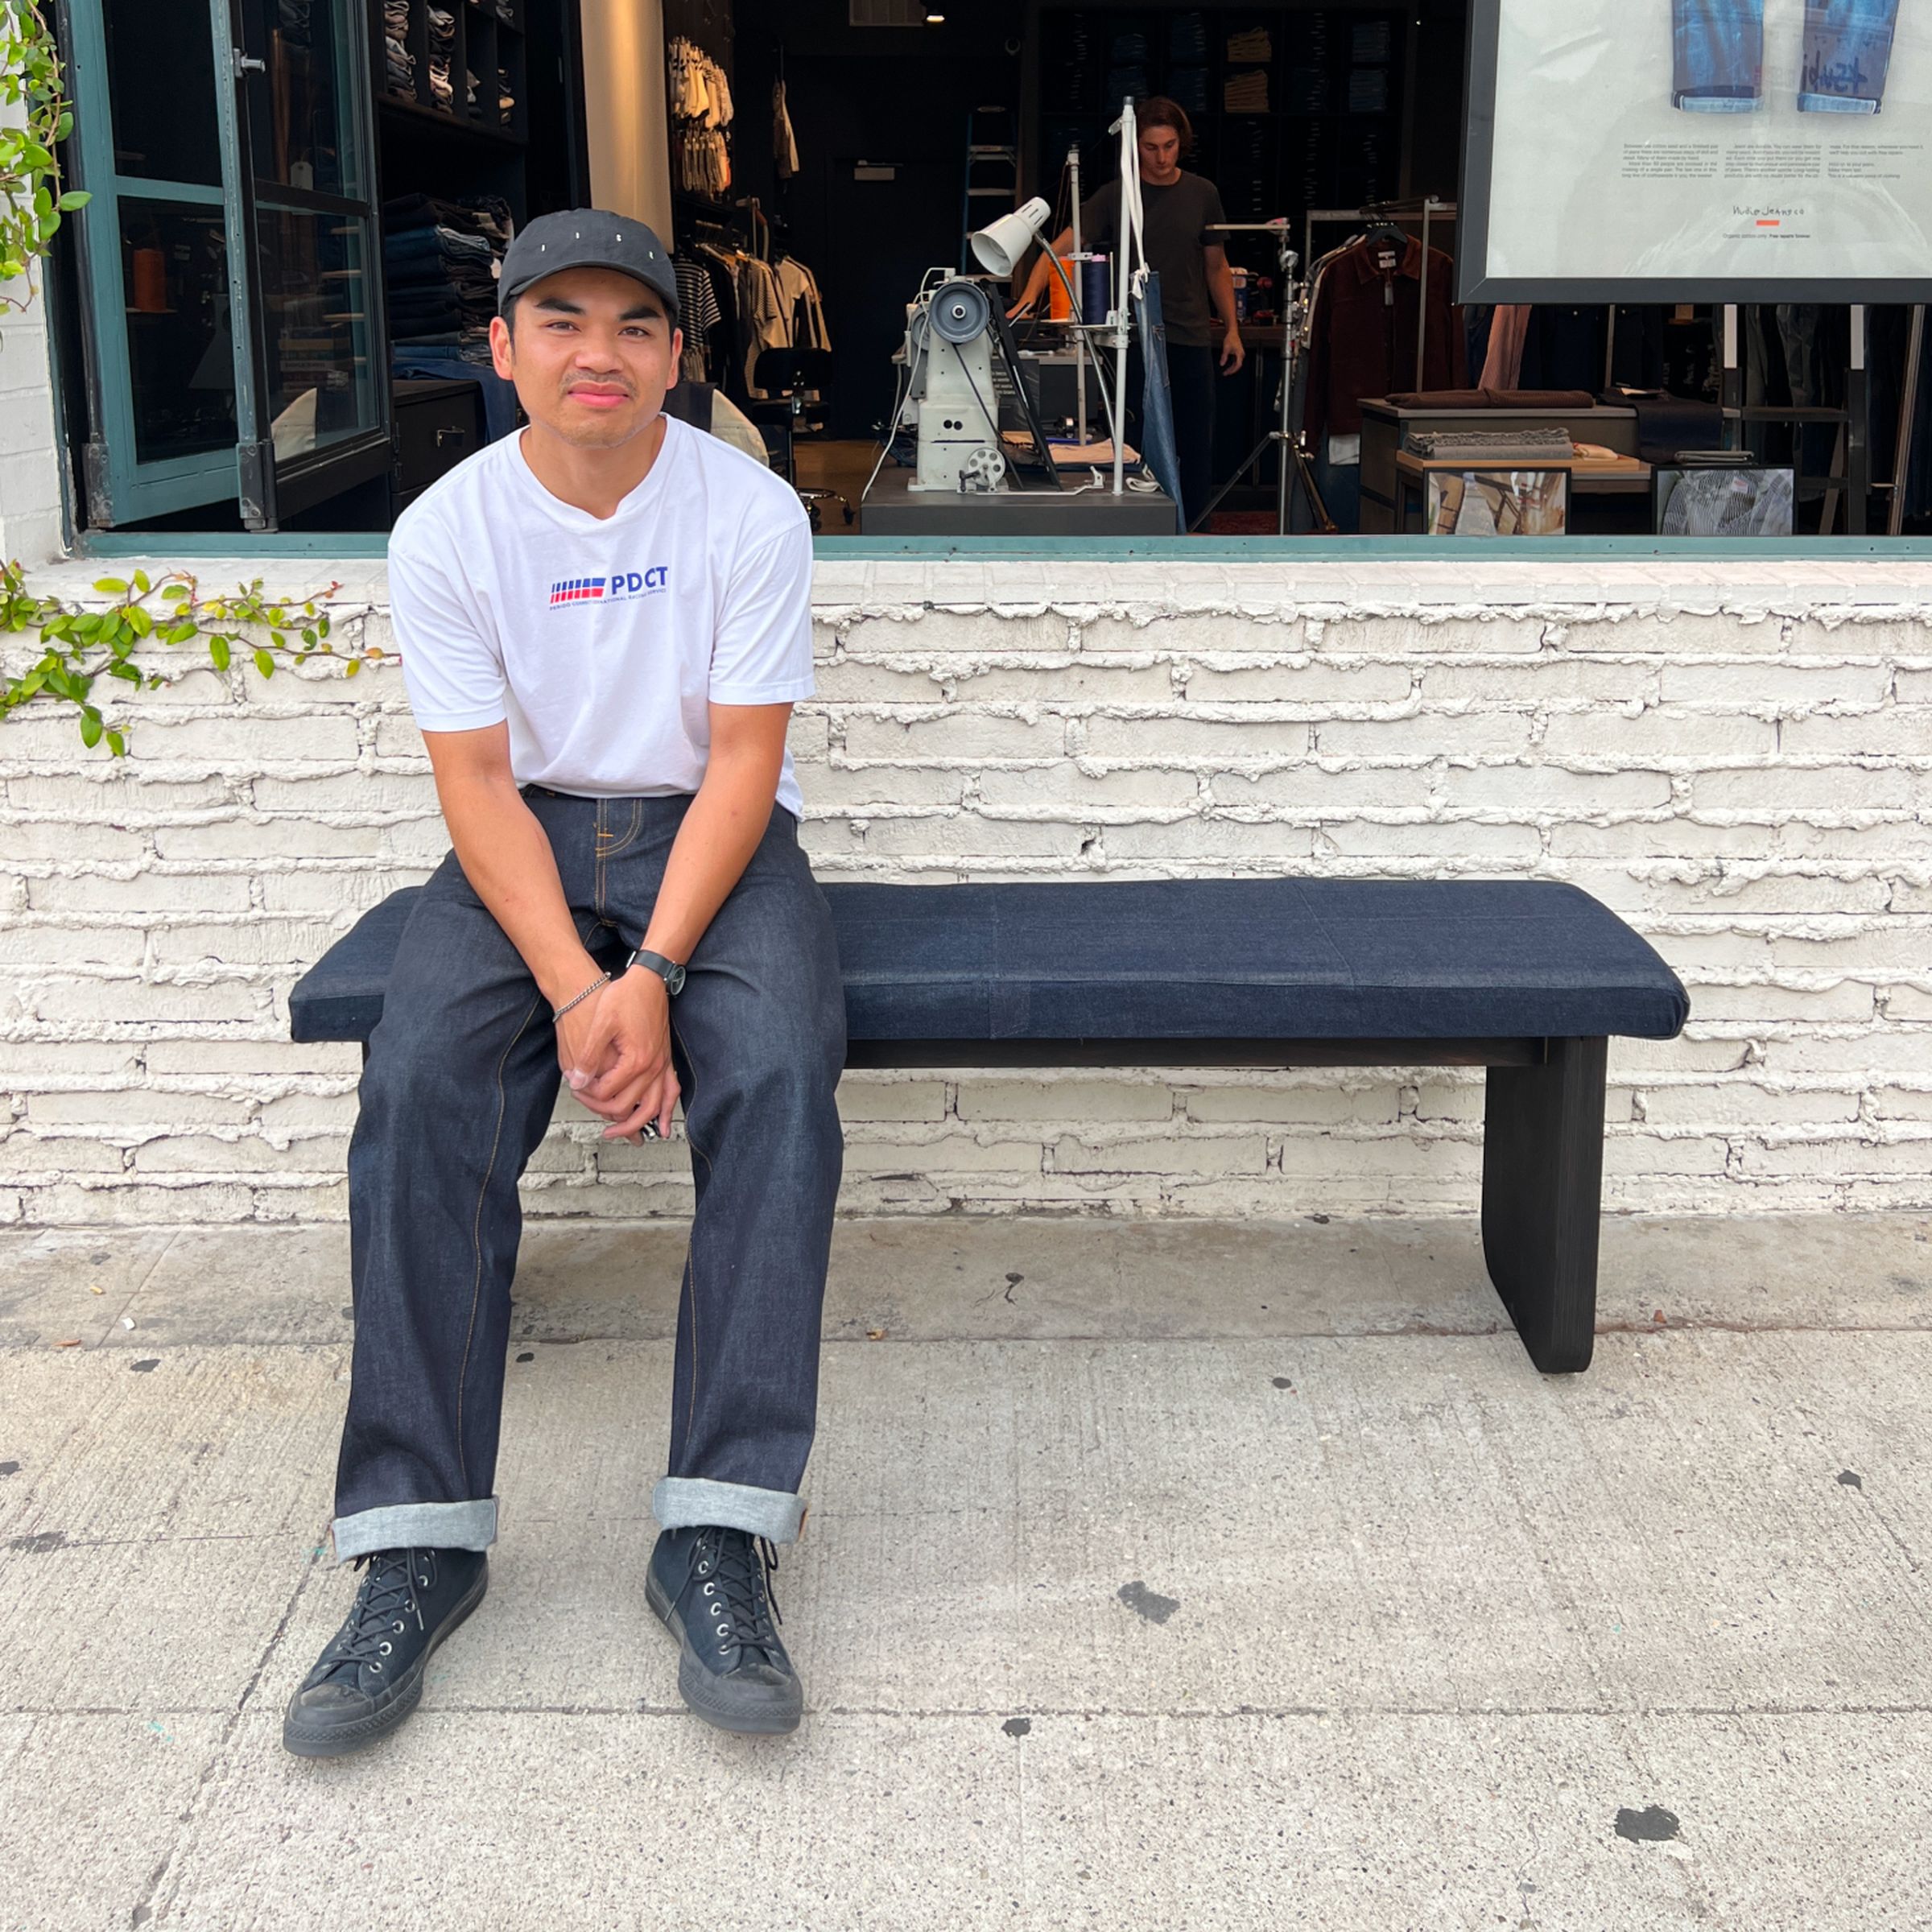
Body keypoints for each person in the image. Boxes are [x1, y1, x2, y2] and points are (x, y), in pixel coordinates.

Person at [282, 209, 847, 1757]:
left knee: (786, 1073)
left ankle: (716, 1532)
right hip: (522, 840)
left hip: (708, 839)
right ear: (505, 347)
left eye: (635, 325)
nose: (599, 354)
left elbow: (746, 761)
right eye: (563, 322)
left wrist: (653, 969)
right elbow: (471, 783)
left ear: (677, 350)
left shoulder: (750, 512)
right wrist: (580, 990)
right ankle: (418, 1543)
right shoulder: (448, 531)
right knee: (418, 1091)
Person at [1009, 97, 1245, 528]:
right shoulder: (1117, 196)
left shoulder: (1202, 194)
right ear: (1135, 147)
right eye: (1151, 148)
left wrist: (1232, 329)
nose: (1161, 157)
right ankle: (1143, 531)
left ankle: (1195, 536)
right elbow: (1055, 250)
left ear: (1181, 144)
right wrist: (1027, 297)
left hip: (1190, 338)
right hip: (1133, 343)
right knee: (1135, 447)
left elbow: (1218, 268)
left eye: (1169, 146)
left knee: (1195, 448)